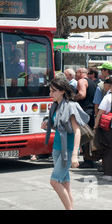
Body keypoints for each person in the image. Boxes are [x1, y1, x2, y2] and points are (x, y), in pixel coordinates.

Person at [42, 77, 89, 210]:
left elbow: (77, 131)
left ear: (62, 91)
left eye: (53, 91)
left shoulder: (71, 105)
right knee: (65, 182)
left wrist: (74, 154)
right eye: (50, 91)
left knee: (55, 181)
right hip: (57, 148)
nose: (51, 94)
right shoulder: (56, 105)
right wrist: (47, 125)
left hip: (67, 150)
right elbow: (60, 126)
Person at [75, 68, 97, 168]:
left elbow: (82, 95)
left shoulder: (81, 81)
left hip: (85, 111)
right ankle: (90, 159)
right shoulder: (92, 82)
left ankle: (88, 160)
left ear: (80, 73)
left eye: (76, 73)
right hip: (92, 111)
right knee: (89, 135)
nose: (75, 75)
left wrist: (72, 97)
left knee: (84, 135)